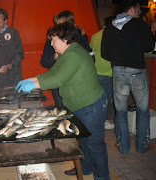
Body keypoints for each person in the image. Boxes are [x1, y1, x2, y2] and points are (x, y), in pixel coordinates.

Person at [16, 22, 110, 180]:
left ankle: (102, 177)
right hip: (78, 105)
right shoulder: (66, 54)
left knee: (95, 145)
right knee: (83, 141)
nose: (51, 44)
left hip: (91, 105)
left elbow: (58, 79)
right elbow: (53, 72)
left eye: (53, 40)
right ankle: (86, 168)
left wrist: (34, 85)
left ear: (65, 39)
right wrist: (32, 79)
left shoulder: (74, 54)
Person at [101, 0, 155, 155]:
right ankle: (142, 147)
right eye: (138, 10)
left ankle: (124, 148)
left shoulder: (110, 27)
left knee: (121, 111)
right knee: (143, 110)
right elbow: (149, 46)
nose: (139, 13)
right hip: (137, 71)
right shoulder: (139, 25)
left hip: (118, 72)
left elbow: (105, 54)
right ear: (132, 9)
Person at [40, 10, 92, 108]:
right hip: (60, 87)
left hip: (78, 84)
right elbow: (46, 63)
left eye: (60, 25)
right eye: (56, 25)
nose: (57, 28)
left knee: (79, 111)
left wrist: (37, 84)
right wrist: (54, 57)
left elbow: (89, 60)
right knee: (62, 110)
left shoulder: (79, 42)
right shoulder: (53, 40)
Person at [90, 16, 115, 130]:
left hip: (95, 72)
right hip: (107, 72)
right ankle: (103, 121)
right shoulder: (113, 35)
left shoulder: (95, 35)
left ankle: (94, 119)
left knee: (96, 98)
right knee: (105, 99)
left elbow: (91, 52)